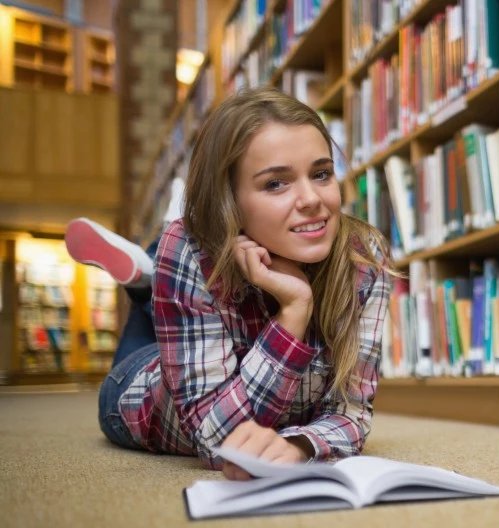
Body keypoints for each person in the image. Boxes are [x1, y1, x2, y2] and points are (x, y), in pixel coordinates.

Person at [65, 86, 392, 481]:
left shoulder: (363, 256)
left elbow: (352, 413)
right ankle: (147, 281)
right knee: (173, 264)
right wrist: (293, 310)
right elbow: (217, 440)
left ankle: (147, 280)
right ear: (229, 201)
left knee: (169, 284)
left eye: (321, 174)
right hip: (139, 392)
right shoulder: (188, 250)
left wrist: (299, 446)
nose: (311, 199)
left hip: (199, 328)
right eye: (276, 183)